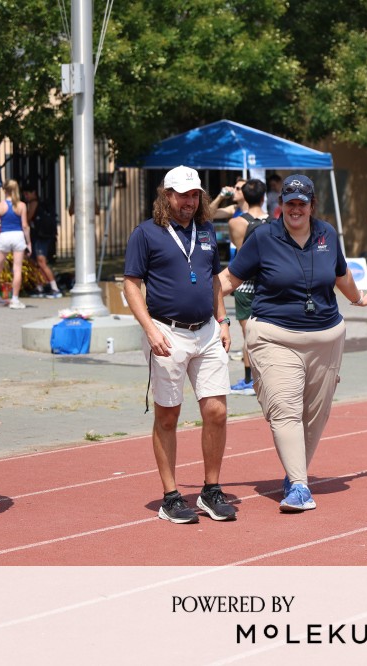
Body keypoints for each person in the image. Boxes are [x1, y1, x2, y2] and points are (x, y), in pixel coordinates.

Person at [218, 174, 367, 513]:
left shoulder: (327, 234)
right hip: (274, 336)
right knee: (284, 408)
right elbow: (228, 279)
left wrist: (355, 298)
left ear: (311, 205)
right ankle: (300, 487)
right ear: (281, 205)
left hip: (325, 338)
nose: (295, 209)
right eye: (289, 202)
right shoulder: (263, 237)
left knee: (314, 416)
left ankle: (295, 474)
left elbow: (341, 274)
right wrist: (204, 304)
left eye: (301, 203)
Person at [122, 165, 236, 525]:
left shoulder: (206, 230)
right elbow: (130, 285)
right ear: (166, 195)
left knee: (216, 411)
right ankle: (171, 497)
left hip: (207, 331)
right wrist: (149, 330)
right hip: (166, 332)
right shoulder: (146, 233)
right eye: (182, 195)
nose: (189, 202)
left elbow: (214, 280)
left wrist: (223, 320)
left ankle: (210, 490)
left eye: (194, 195)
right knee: (168, 416)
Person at [227, 179, 268, 395]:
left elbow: (241, 250)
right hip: (265, 282)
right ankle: (262, 377)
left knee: (248, 335)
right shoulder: (274, 222)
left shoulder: (236, 223)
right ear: (264, 197)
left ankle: (249, 380)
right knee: (267, 332)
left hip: (244, 282)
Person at [0, 179, 31, 309]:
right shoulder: (21, 205)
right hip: (18, 235)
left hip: (4, 235)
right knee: (17, 269)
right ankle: (15, 299)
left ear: (4, 190)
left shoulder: (0, 205)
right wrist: (29, 242)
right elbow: (25, 225)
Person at [24, 184, 62, 298]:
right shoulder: (37, 204)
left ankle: (54, 288)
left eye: (27, 194)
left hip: (40, 236)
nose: (26, 196)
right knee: (35, 263)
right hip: (39, 236)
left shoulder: (34, 203)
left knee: (41, 262)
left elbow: (28, 218)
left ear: (34, 193)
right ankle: (40, 286)